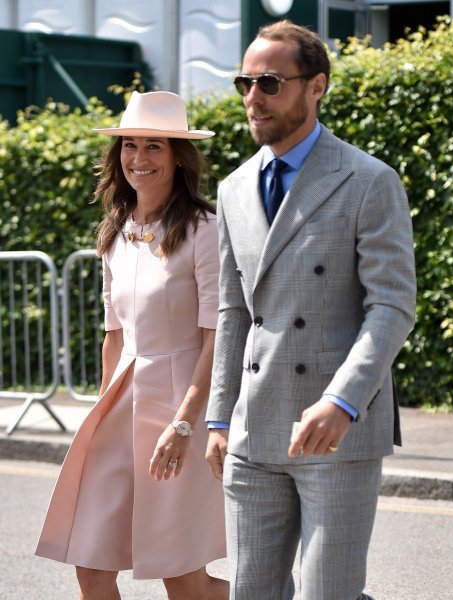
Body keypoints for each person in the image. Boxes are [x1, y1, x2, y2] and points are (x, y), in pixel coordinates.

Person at [205, 20, 416, 600]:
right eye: (244, 82)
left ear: (316, 86)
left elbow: (393, 305)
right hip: (253, 431)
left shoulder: (369, 180)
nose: (253, 97)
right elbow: (233, 311)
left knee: (329, 593)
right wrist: (220, 417)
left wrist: (343, 401)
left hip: (336, 430)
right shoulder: (234, 188)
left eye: (270, 82)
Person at [36, 91, 228, 600]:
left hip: (181, 406)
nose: (139, 159)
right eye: (130, 146)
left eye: (154, 147)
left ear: (178, 157)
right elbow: (113, 333)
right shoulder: (116, 231)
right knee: (91, 565)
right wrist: (100, 412)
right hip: (119, 407)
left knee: (183, 577)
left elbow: (217, 334)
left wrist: (188, 422)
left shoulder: (204, 229)